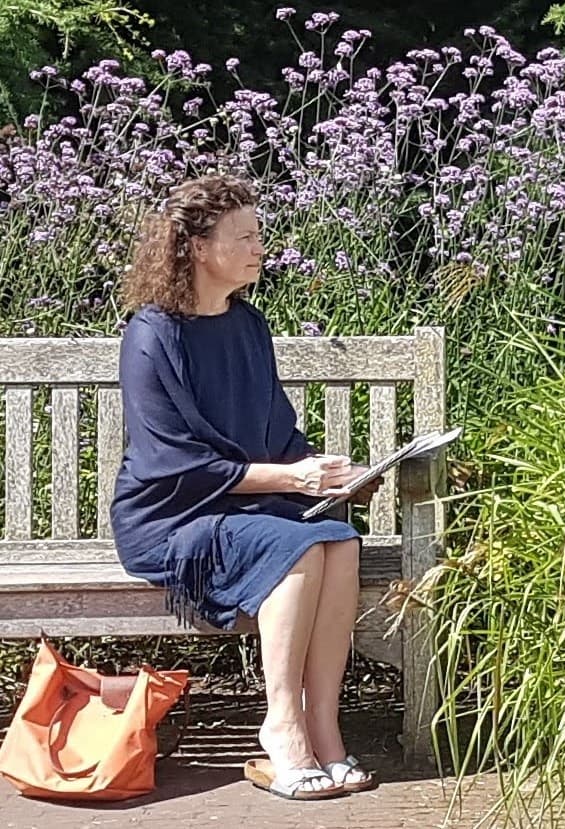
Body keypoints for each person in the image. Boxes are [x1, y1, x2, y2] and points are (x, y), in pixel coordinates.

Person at [109, 175, 381, 801]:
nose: (263, 247)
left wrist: (328, 471)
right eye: (247, 236)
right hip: (171, 516)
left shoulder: (248, 325)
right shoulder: (152, 334)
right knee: (297, 548)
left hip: (252, 506)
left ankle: (324, 732)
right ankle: (281, 729)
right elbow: (168, 460)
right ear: (198, 248)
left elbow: (275, 431)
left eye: (260, 234)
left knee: (338, 541)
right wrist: (290, 478)